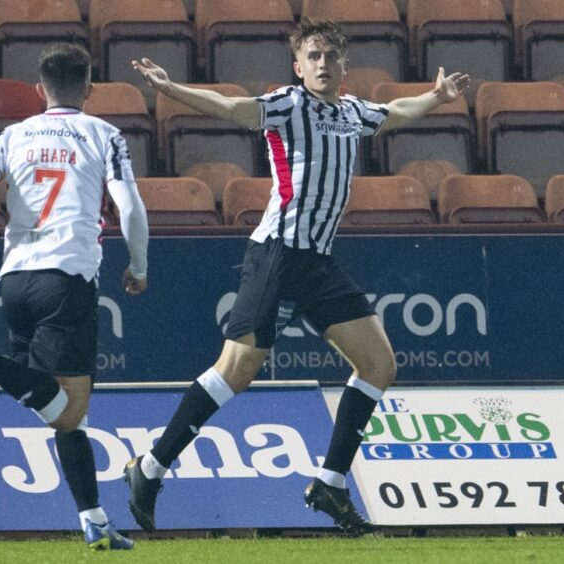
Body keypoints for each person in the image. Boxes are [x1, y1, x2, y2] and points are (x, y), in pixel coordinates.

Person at [124, 18, 469, 536]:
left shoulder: (352, 112)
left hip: (318, 263)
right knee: (234, 372)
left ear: (344, 65)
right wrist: (172, 90)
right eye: (313, 56)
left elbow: (395, 112)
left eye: (331, 56)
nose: (323, 64)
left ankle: (329, 483)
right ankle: (149, 468)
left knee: (378, 365)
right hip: (278, 254)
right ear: (298, 66)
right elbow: (235, 109)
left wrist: (436, 97)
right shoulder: (288, 104)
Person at [0, 44, 148, 551]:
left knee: (58, 411)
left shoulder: (12, 134)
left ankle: (94, 521)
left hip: (17, 281)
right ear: (89, 89)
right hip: (66, 279)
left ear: (38, 91)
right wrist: (138, 266)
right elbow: (130, 207)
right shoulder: (103, 134)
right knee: (70, 413)